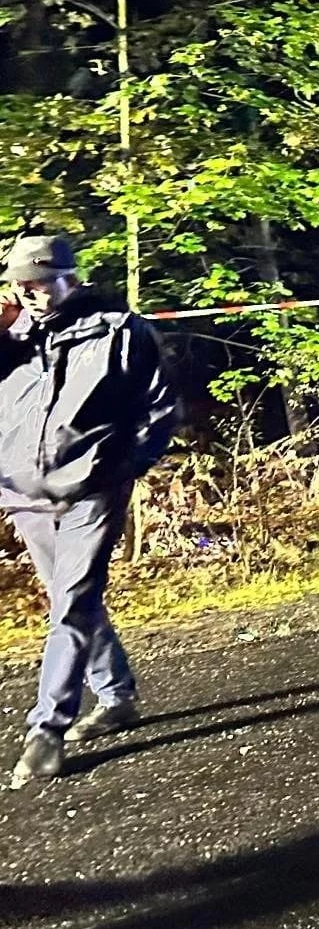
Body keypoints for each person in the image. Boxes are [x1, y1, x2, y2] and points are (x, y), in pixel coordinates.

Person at [1, 235, 178, 789]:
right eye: (19, 285)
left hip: (93, 488)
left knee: (73, 602)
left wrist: (126, 465)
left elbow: (159, 406)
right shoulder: (11, 336)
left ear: (69, 278)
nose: (31, 295)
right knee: (67, 600)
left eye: (40, 283)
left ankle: (46, 730)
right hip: (23, 490)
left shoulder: (120, 331)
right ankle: (118, 695)